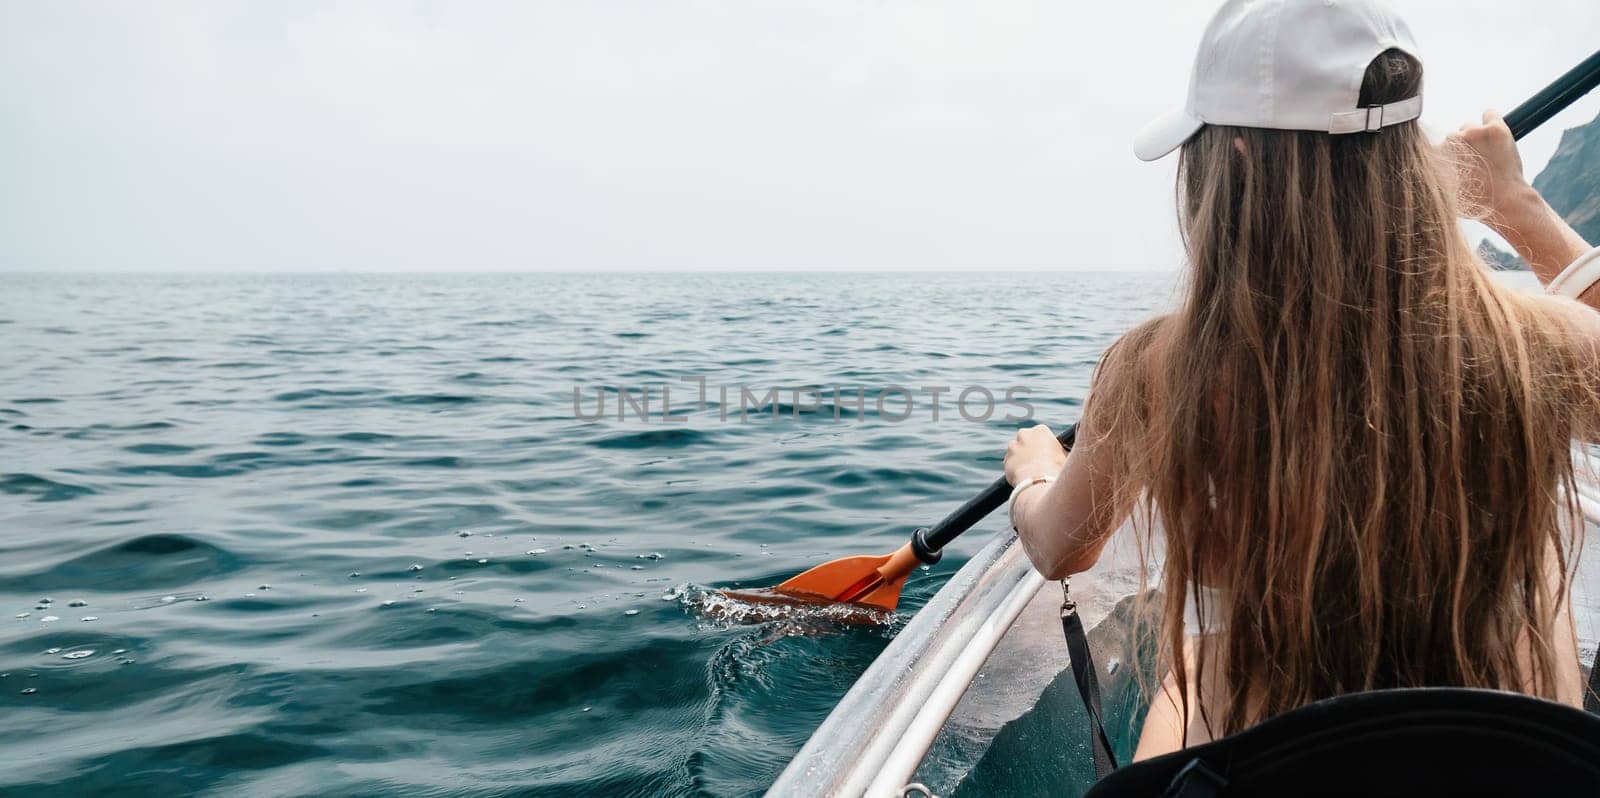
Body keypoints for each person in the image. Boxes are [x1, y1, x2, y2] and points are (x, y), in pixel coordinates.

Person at [1000, 0, 1600, 762]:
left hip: (1266, 772)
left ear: (1236, 158)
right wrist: (1517, 208)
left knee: (1184, 682)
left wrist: (1034, 481)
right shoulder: (1537, 348)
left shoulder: (1159, 371)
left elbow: (1060, 550)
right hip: (1520, 772)